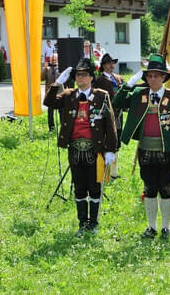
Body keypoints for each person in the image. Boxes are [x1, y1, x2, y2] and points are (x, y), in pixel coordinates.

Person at [113, 53, 170, 239]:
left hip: (166, 151)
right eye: (150, 76)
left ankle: (166, 226)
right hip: (145, 150)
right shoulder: (139, 94)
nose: (153, 79)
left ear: (164, 77)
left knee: (166, 189)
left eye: (157, 75)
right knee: (149, 188)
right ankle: (152, 226)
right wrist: (128, 85)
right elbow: (117, 103)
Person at [43, 58, 117, 236]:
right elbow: (49, 102)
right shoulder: (69, 95)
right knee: (79, 186)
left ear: (91, 78)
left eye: (84, 75)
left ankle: (94, 222)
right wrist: (57, 84)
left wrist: (111, 150)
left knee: (95, 186)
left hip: (95, 148)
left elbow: (110, 123)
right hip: (75, 149)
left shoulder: (101, 96)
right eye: (78, 75)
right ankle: (82, 222)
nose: (80, 79)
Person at [93, 53, 124, 179]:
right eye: (109, 63)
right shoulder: (99, 80)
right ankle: (107, 172)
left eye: (113, 63)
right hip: (107, 114)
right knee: (109, 139)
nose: (112, 65)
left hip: (119, 113)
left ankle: (114, 173)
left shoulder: (118, 78)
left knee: (117, 139)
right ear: (104, 65)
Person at [41, 52, 61, 131]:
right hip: (50, 94)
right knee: (50, 113)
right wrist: (44, 69)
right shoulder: (47, 69)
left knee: (61, 112)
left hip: (60, 93)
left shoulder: (61, 68)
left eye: (55, 60)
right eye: (52, 60)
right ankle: (51, 128)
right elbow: (41, 78)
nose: (54, 61)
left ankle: (63, 128)